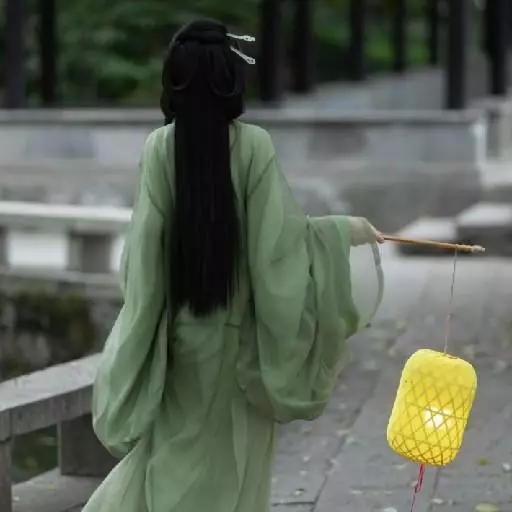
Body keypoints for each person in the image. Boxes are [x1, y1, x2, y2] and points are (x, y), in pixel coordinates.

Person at [82, 18, 384, 512]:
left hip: (182, 346)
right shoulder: (253, 145)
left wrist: (139, 340)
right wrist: (338, 232)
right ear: (229, 78)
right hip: (241, 349)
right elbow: (276, 246)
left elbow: (146, 262)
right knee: (236, 476)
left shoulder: (160, 148)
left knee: (170, 464)